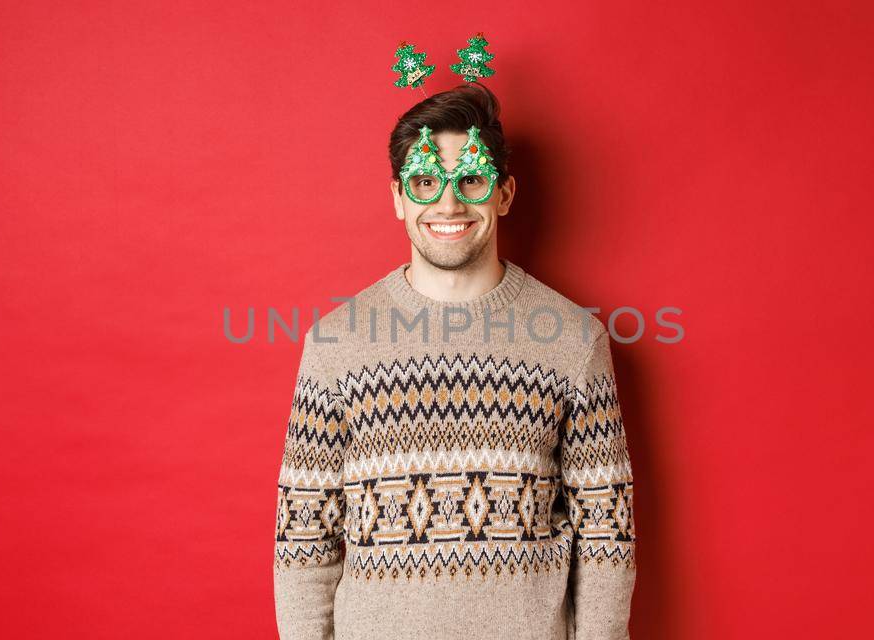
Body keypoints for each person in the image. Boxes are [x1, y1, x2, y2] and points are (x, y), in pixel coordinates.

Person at [272, 82, 637, 640]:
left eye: (470, 179)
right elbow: (303, 540)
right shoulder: (334, 345)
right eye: (424, 183)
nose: (448, 203)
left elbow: (608, 538)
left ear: (505, 194)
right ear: (398, 197)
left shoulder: (574, 341)